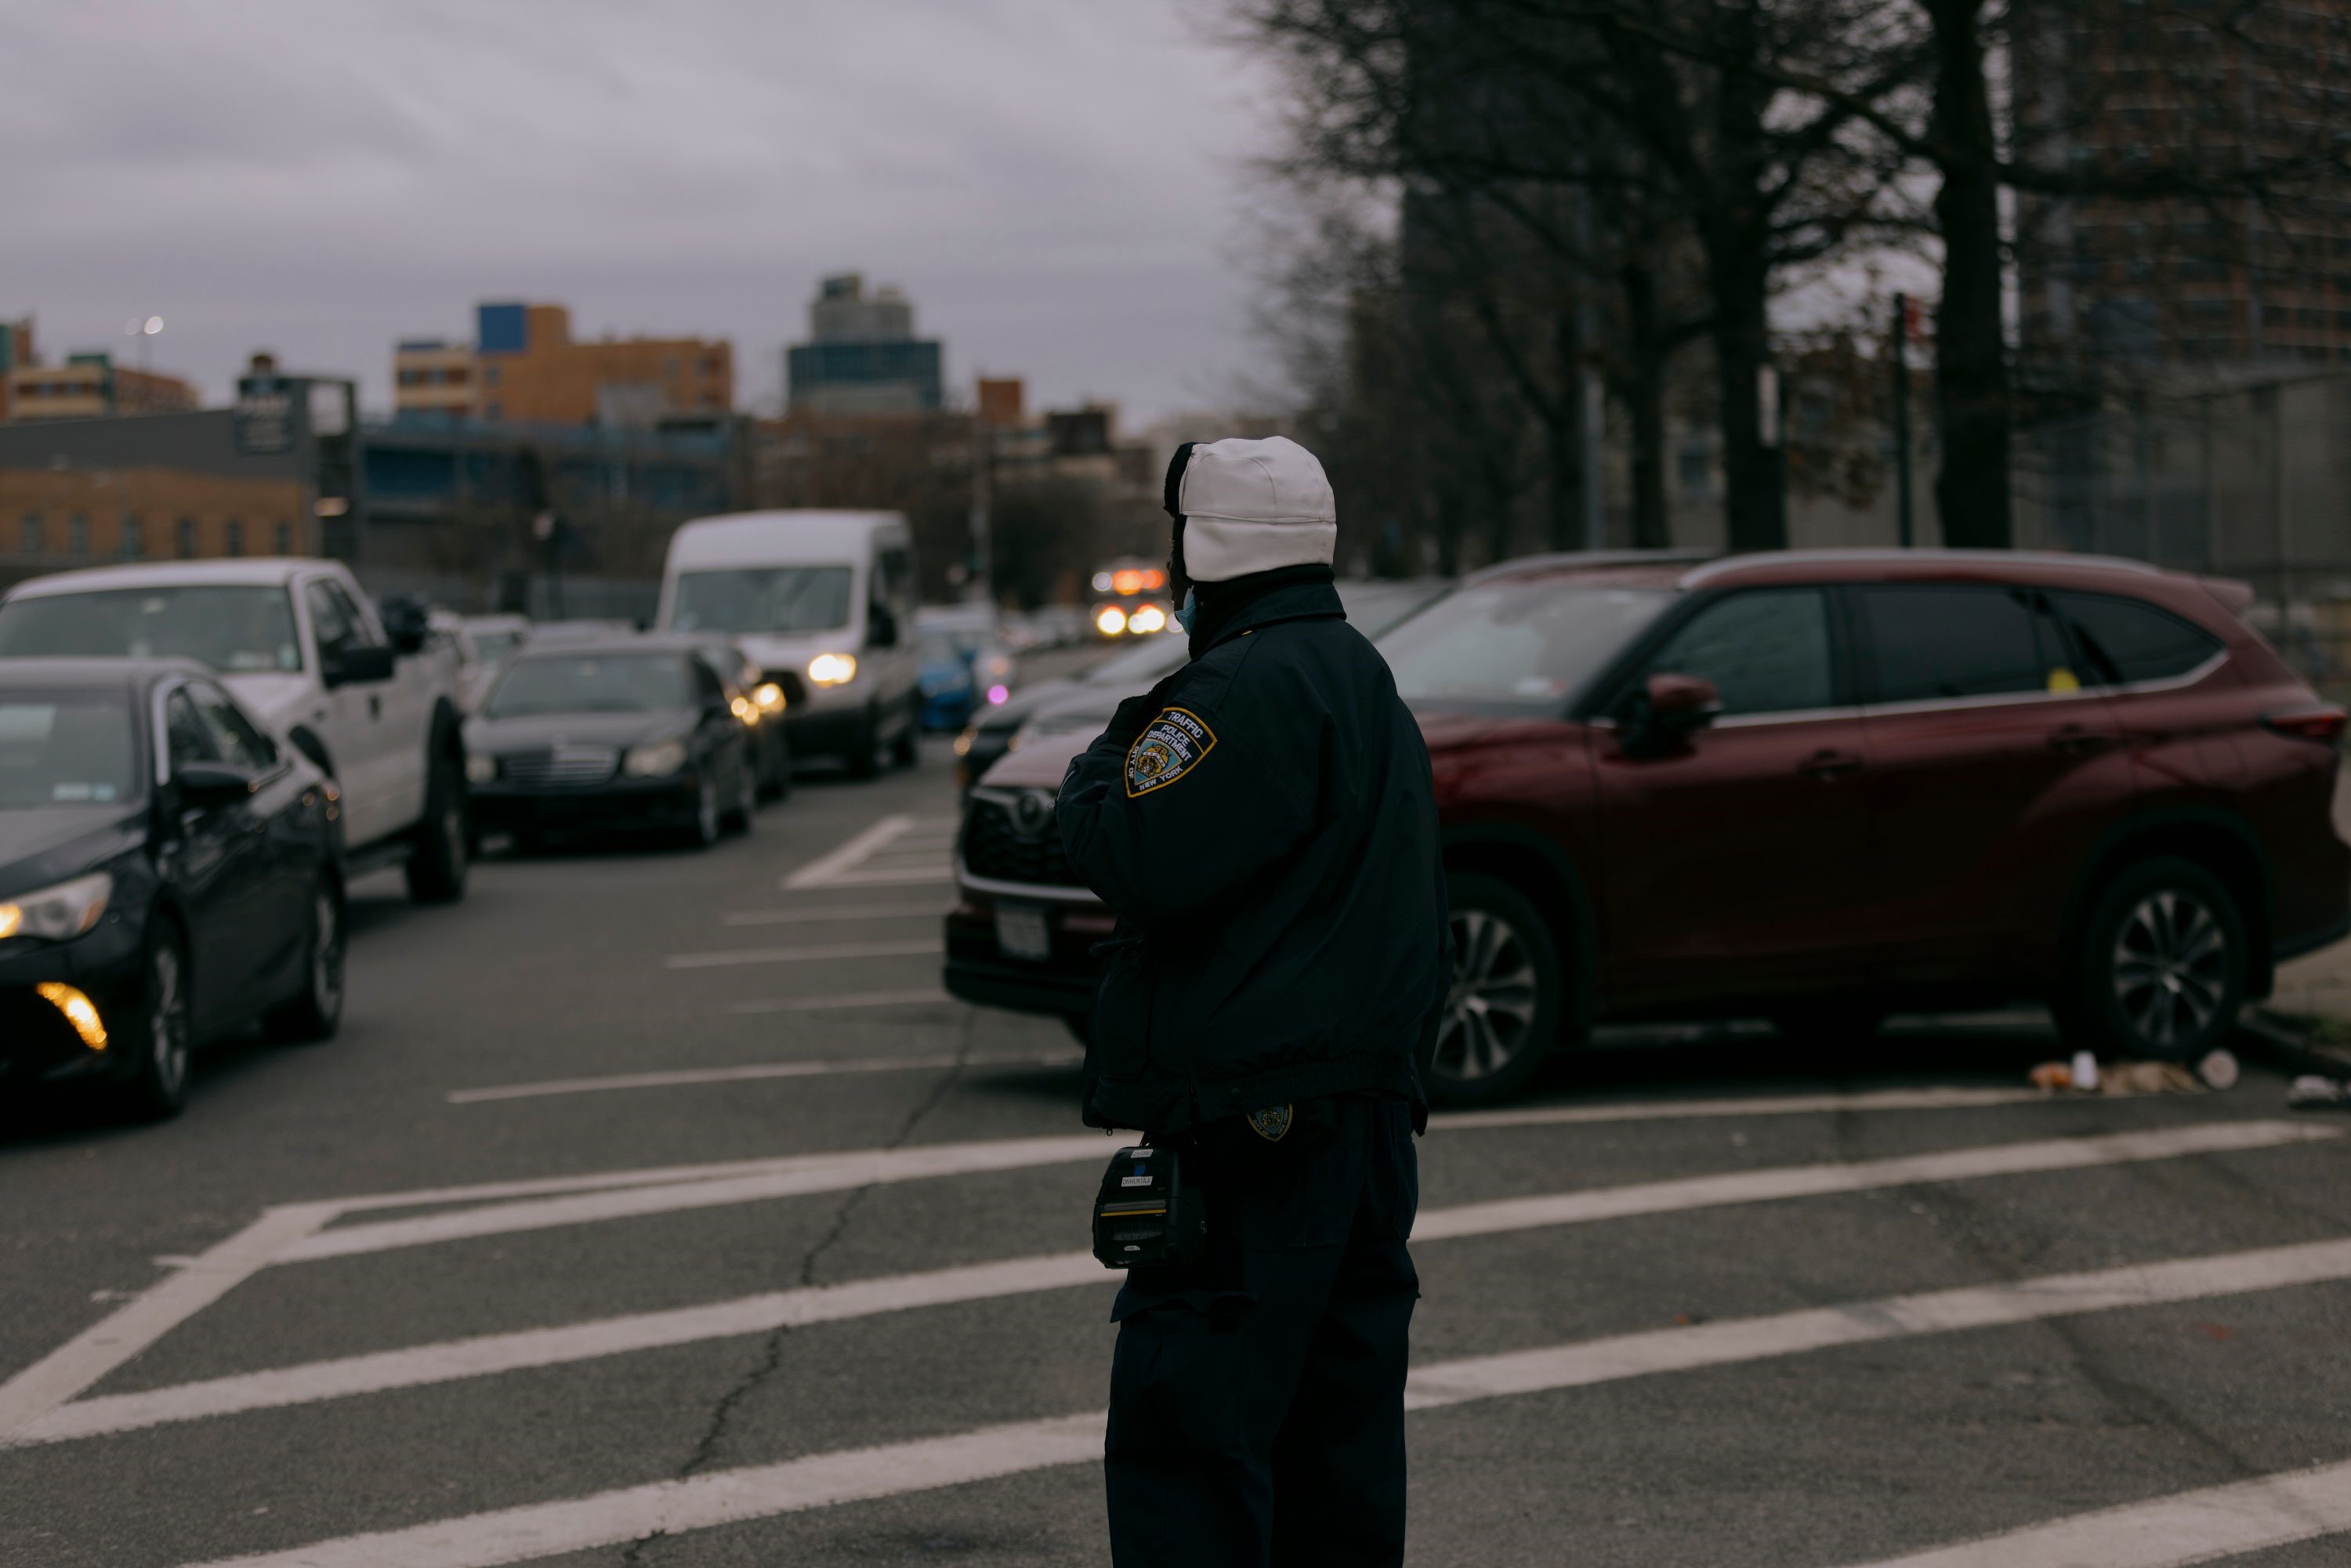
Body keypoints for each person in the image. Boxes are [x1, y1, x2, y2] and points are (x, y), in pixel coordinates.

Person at [1056, 436, 1451, 1567]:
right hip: (1366, 1118)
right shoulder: (1362, 674)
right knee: (1340, 1451)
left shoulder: (1237, 686)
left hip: (1256, 1129)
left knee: (1194, 1435)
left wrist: (1110, 750)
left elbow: (1129, 845)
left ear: (1199, 549)